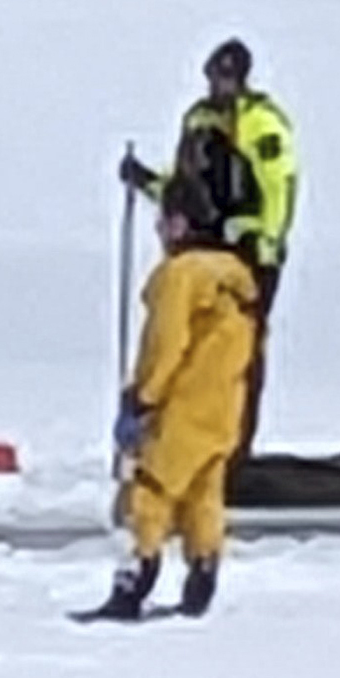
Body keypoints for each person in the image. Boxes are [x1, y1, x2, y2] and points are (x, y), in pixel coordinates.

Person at [95, 172, 261, 619]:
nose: (158, 230)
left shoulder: (180, 276)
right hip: (224, 407)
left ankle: (134, 582)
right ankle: (202, 574)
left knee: (147, 493)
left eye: (163, 220)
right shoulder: (234, 276)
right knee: (203, 496)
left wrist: (142, 398)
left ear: (179, 223)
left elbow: (167, 344)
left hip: (181, 408)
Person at [119, 37, 297, 442]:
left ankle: (233, 447)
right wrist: (146, 182)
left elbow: (277, 188)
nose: (220, 86)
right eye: (216, 77)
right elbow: (185, 187)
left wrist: (264, 240)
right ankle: (181, 440)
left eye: (228, 78)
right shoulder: (198, 120)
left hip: (246, 253)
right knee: (188, 347)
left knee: (236, 352)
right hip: (200, 249)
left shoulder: (261, 124)